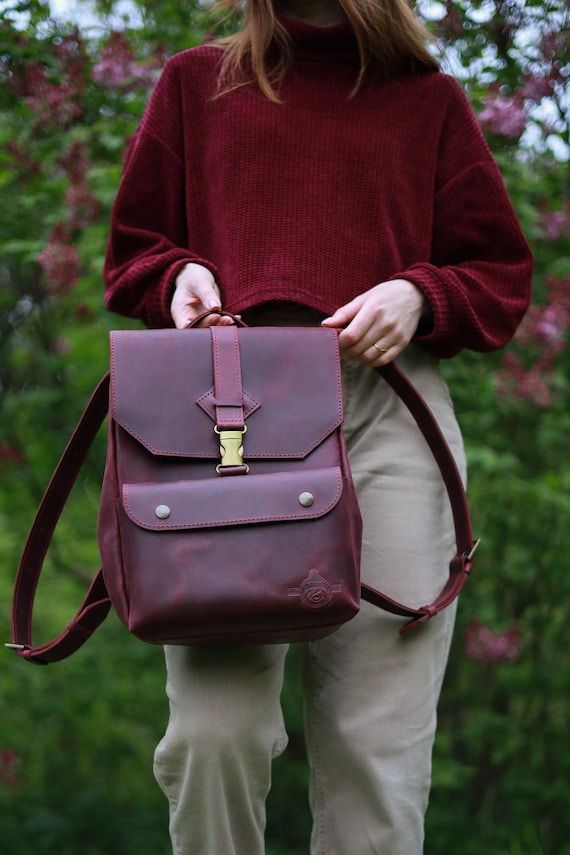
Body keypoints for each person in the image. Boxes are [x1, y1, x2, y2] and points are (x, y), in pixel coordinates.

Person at [103, 0, 533, 851]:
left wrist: (420, 293)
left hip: (390, 416)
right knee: (209, 738)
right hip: (226, 424)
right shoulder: (197, 82)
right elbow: (134, 252)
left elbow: (498, 272)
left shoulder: (427, 100)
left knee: (377, 758)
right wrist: (180, 273)